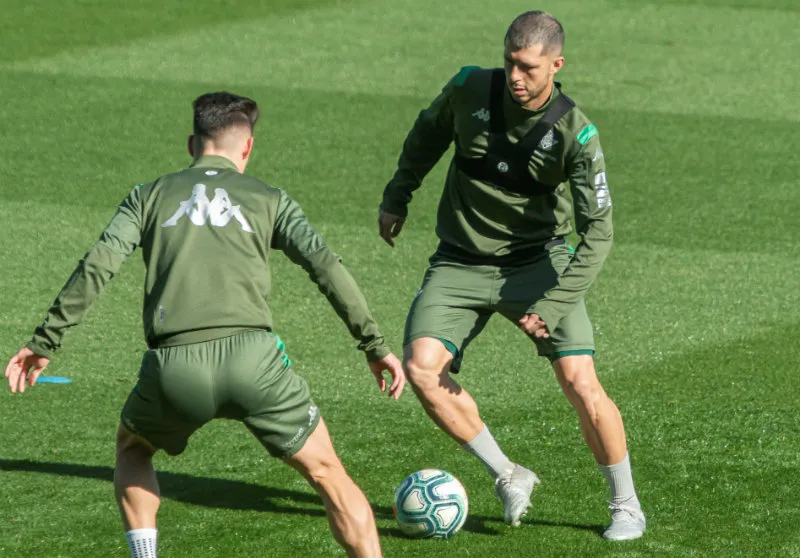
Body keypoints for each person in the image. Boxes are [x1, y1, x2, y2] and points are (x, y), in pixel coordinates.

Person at [5, 91, 405, 558]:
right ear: (248, 147)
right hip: (257, 366)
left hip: (175, 370)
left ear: (192, 143)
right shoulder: (270, 198)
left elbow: (98, 266)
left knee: (133, 450)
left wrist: (45, 340)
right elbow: (326, 267)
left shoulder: (148, 196)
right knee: (327, 474)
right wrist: (374, 345)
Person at [377, 11, 645, 541]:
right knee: (422, 368)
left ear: (556, 65)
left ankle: (626, 505)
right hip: (459, 261)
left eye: (528, 68)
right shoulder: (469, 88)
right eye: (509, 64)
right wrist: (397, 194)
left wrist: (552, 304)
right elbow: (427, 135)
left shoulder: (576, 133)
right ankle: (507, 473)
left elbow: (599, 235)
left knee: (580, 383)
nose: (516, 78)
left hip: (539, 263)